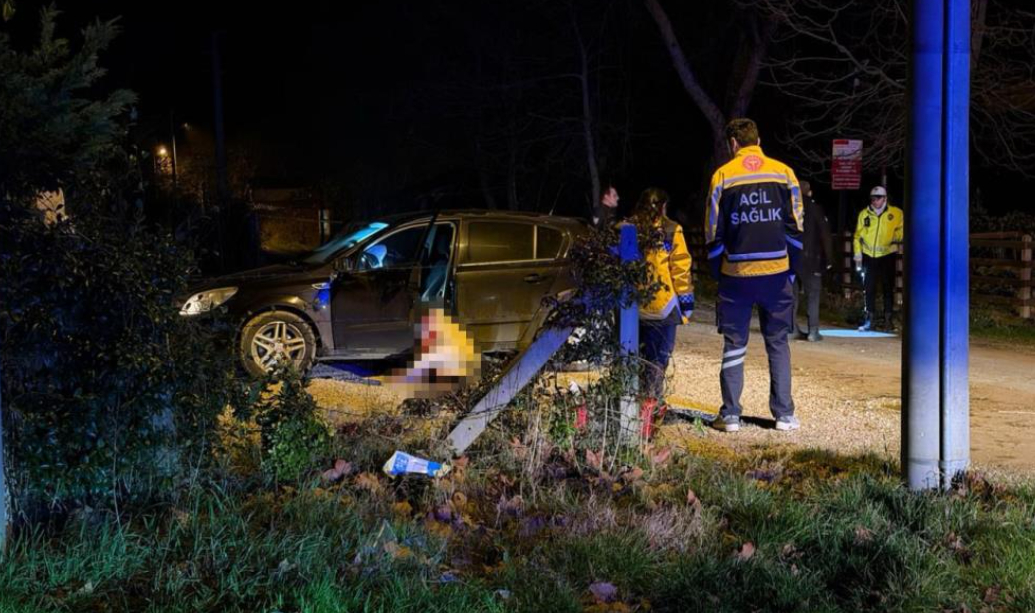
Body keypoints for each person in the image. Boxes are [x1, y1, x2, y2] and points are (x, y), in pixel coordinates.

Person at [704, 118, 804, 433]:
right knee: (777, 342)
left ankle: (731, 414)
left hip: (736, 273)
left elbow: (713, 229)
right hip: (776, 273)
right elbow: (796, 225)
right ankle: (784, 414)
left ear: (733, 144)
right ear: (758, 141)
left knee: (735, 343)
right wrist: (791, 269)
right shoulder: (784, 172)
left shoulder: (722, 176)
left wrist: (717, 271)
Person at [628, 188, 694, 406]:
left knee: (636, 357)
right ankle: (652, 406)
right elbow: (680, 269)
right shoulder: (672, 230)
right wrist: (686, 305)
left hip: (634, 307)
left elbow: (625, 267)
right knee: (658, 360)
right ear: (664, 206)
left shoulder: (629, 230)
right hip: (663, 307)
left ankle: (633, 404)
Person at [853, 185, 904, 331]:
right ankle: (870, 319)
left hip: (888, 255)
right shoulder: (864, 214)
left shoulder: (896, 213)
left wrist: (895, 237)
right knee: (869, 288)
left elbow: (902, 229)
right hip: (869, 256)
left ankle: (888, 320)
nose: (875, 201)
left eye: (878, 198)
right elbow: (857, 236)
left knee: (888, 288)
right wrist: (858, 254)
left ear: (885, 199)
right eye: (873, 198)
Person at [791, 180, 834, 341]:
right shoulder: (815, 208)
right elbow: (825, 235)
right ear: (810, 193)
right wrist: (829, 259)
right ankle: (813, 331)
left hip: (790, 259)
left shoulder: (787, 209)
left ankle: (791, 328)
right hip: (811, 259)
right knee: (813, 294)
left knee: (791, 295)